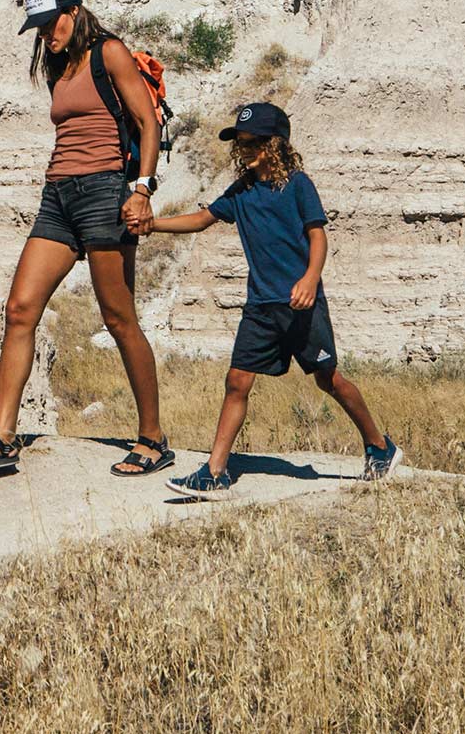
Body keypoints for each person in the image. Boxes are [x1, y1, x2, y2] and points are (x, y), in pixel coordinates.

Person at [0, 0, 172, 478]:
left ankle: (153, 439)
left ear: (73, 11)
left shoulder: (109, 52)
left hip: (105, 193)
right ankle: (1, 437)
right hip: (58, 196)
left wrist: (142, 189)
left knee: (119, 319)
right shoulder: (57, 64)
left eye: (50, 22)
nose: (44, 33)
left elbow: (147, 122)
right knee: (19, 308)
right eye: (37, 25)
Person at [126, 102, 401, 498]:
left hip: (302, 305)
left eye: (254, 142)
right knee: (237, 381)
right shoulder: (243, 190)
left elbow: (318, 236)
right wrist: (154, 225)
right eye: (240, 143)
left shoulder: (298, 185)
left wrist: (310, 279)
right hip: (260, 307)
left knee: (329, 380)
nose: (246, 149)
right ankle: (215, 472)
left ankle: (379, 446)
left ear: (277, 144)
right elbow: (203, 219)